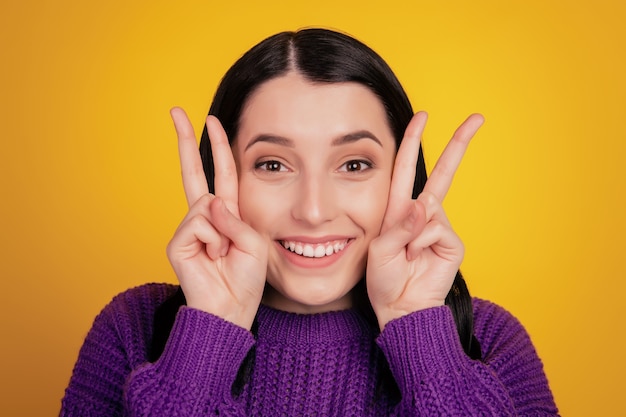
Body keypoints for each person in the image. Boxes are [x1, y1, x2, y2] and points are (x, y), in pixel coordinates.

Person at [60, 28, 559, 416]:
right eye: (273, 165)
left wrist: (420, 333)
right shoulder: (134, 331)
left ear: (401, 178)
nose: (314, 211)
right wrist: (210, 332)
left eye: (355, 165)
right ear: (223, 175)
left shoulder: (487, 343)